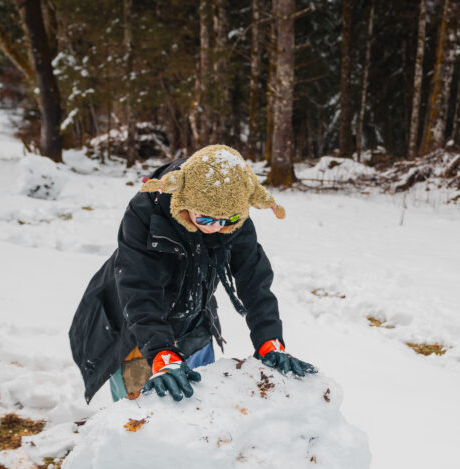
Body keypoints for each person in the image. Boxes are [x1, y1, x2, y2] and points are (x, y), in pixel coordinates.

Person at [69, 144, 315, 404]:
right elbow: (138, 287)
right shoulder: (145, 213)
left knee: (199, 408)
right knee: (142, 418)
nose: (216, 228)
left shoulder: (232, 214)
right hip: (137, 329)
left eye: (227, 219)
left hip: (195, 319)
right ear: (185, 202)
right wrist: (161, 354)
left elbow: (254, 278)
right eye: (206, 220)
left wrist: (269, 340)